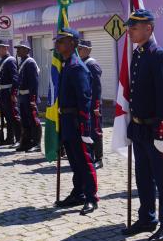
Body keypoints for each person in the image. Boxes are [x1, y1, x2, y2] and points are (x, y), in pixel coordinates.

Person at [120, 9, 163, 241]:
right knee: (142, 177)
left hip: (155, 129)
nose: (130, 31)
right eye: (130, 27)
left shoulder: (157, 55)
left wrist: (161, 132)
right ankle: (147, 218)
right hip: (140, 128)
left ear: (149, 28)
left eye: (134, 27)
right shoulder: (139, 54)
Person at [53, 29, 99, 214]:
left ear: (72, 43)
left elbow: (85, 98)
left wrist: (85, 126)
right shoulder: (66, 65)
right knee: (74, 160)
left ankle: (91, 197)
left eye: (62, 41)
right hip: (66, 119)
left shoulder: (77, 66)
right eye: (58, 41)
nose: (58, 44)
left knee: (84, 160)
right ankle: (78, 192)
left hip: (75, 120)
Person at [79, 39, 104, 169]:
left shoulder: (92, 64)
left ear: (88, 50)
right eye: (78, 48)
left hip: (93, 105)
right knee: (86, 131)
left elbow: (97, 87)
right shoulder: (81, 63)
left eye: (81, 48)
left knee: (96, 131)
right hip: (85, 104)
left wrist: (96, 106)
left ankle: (99, 158)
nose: (79, 51)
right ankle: (89, 156)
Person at [15, 41, 42, 152]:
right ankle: (26, 142)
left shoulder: (30, 63)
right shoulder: (22, 62)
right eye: (17, 49)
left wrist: (33, 99)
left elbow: (34, 83)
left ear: (27, 50)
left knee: (33, 120)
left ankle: (36, 143)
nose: (17, 51)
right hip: (22, 96)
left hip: (29, 97)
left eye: (20, 49)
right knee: (25, 121)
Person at [0, 41, 20, 147]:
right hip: (3, 93)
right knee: (8, 118)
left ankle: (19, 138)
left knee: (14, 116)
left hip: (9, 93)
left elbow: (15, 78)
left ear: (5, 48)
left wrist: (13, 93)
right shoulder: (2, 61)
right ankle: (10, 138)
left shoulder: (10, 61)